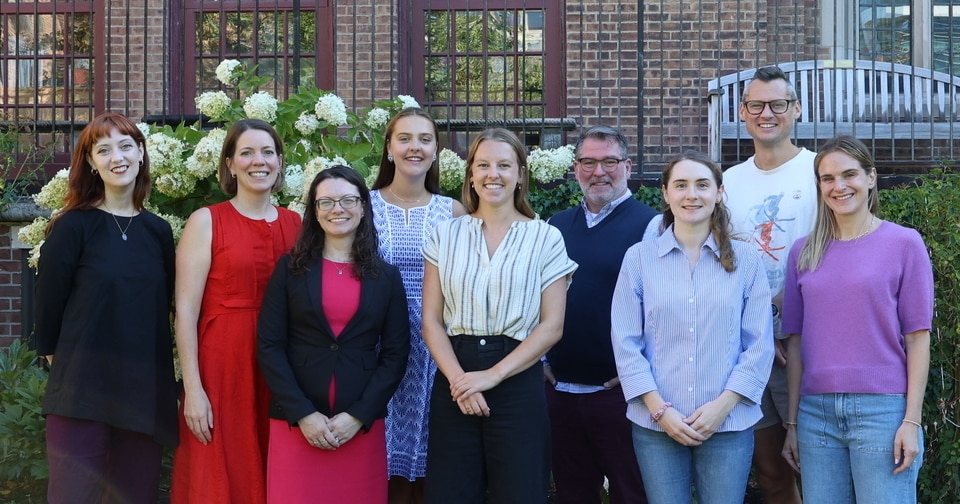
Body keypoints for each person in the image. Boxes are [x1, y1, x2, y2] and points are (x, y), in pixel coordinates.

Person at [421, 128, 577, 504]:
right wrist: (462, 382)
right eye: (484, 165)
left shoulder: (545, 237)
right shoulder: (445, 234)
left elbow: (552, 326)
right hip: (454, 377)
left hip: (516, 378)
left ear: (521, 174)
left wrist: (491, 377)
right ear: (470, 174)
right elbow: (430, 321)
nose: (494, 174)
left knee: (520, 491)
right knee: (451, 492)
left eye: (504, 165)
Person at [611, 152, 774, 504]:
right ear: (666, 194)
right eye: (681, 185)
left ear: (718, 193)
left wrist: (722, 406)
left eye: (702, 185)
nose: (692, 195)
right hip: (657, 426)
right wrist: (660, 410)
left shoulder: (746, 261)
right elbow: (625, 343)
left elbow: (759, 344)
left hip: (728, 424)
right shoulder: (638, 259)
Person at [34, 112, 178, 503]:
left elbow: (163, 307)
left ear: (142, 154)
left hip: (143, 393)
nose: (118, 156)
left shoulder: (158, 232)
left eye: (126, 145)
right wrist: (65, 363)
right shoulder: (72, 227)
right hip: (82, 391)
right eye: (104, 149)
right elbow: (47, 307)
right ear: (92, 164)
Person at [781, 136, 933, 503]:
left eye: (849, 174)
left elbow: (917, 338)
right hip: (816, 415)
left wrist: (911, 421)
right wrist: (792, 424)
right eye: (828, 178)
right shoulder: (803, 251)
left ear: (871, 177)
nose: (839, 186)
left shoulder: (904, 243)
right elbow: (796, 343)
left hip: (883, 412)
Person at [257, 165, 411, 503]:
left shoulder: (386, 277)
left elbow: (396, 354)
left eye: (346, 200)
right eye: (325, 202)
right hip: (296, 425)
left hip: (358, 427)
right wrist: (303, 414)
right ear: (313, 211)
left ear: (363, 206)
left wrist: (359, 415)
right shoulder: (290, 270)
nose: (336, 209)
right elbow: (270, 346)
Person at [171, 119, 302, 503]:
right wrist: (192, 390)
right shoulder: (206, 221)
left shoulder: (298, 225)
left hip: (282, 367)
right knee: (222, 469)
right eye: (246, 152)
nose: (257, 161)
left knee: (278, 466)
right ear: (230, 163)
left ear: (279, 161)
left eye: (267, 152)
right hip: (223, 368)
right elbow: (186, 311)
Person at [544, 125, 654, 504]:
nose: (599, 172)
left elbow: (664, 307)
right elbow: (536, 298)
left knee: (631, 492)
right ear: (575, 169)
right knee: (573, 494)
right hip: (560, 389)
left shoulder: (651, 226)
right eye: (588, 162)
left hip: (621, 394)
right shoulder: (556, 226)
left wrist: (637, 372)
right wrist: (541, 358)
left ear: (627, 166)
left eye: (609, 162)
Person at [722, 65, 815, 504]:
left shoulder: (820, 171)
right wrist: (758, 323)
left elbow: (835, 251)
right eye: (756, 104)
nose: (767, 113)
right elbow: (724, 262)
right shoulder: (729, 182)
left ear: (796, 109)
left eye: (778, 104)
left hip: (811, 342)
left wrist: (785, 315)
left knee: (819, 467)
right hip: (751, 346)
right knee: (770, 471)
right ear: (743, 112)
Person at [369, 107, 466, 504]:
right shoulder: (364, 206)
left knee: (432, 453)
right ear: (389, 149)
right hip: (376, 340)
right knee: (379, 451)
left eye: (425, 139)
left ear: (436, 151)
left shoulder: (454, 212)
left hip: (435, 343)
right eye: (404, 138)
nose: (415, 147)